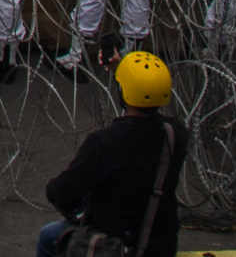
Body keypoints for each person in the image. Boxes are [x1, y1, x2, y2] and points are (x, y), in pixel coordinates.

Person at [40, 50, 189, 257]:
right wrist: (123, 69)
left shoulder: (104, 143)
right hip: (159, 245)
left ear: (122, 93)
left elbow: (62, 193)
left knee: (48, 236)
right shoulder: (176, 135)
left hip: (113, 247)